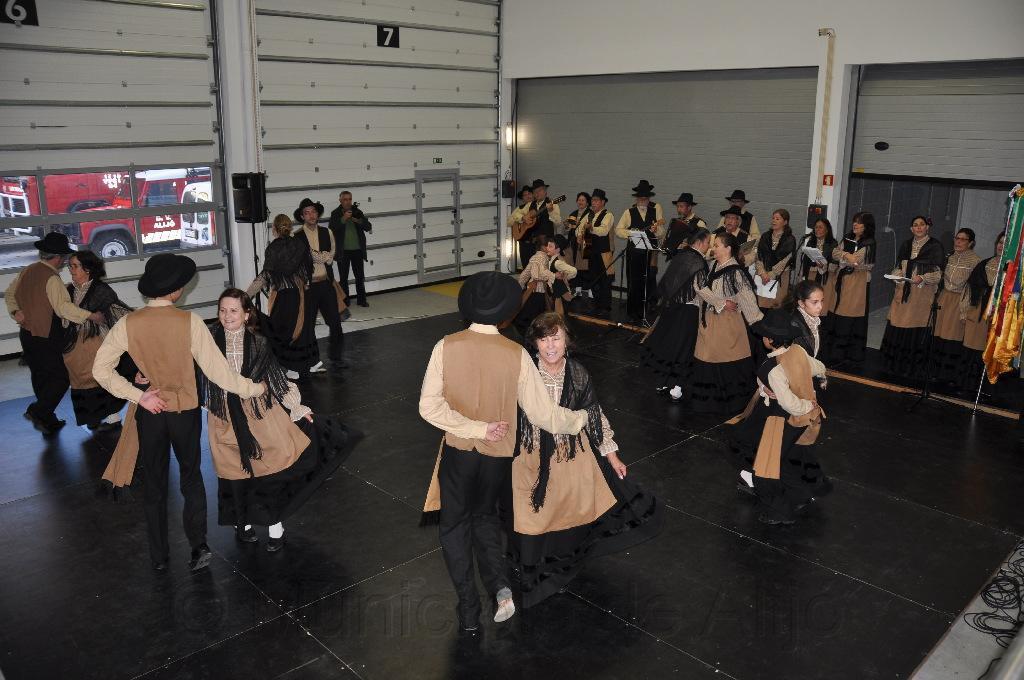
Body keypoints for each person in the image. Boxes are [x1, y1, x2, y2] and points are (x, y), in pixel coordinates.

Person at [418, 271, 588, 632]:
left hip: (459, 453)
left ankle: (469, 608)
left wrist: (475, 428)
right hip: (496, 457)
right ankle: (500, 589)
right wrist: (580, 419)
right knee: (485, 519)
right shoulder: (516, 354)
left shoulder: (446, 346)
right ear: (505, 312)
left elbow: (428, 407)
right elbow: (543, 414)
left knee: (454, 527)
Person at [92, 253, 266, 572]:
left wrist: (138, 396)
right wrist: (254, 388)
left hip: (150, 411)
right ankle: (198, 546)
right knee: (191, 478)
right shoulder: (190, 322)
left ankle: (159, 557)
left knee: (154, 483)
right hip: (184, 412)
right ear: (175, 290)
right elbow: (219, 373)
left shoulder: (129, 323)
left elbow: (100, 370)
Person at [510, 312, 662, 608]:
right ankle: (533, 569)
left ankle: (558, 570)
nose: (550, 346)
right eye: (544, 339)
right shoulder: (524, 372)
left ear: (567, 341)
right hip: (532, 452)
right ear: (535, 343)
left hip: (569, 453)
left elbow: (594, 414)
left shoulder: (578, 373)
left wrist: (612, 454)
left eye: (556, 338)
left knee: (567, 515)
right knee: (533, 515)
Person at [202, 289, 358, 551]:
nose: (227, 316)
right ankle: (243, 523)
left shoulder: (259, 343)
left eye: (233, 310)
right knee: (234, 473)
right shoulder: (208, 341)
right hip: (223, 416)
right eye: (223, 310)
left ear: (247, 314)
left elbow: (275, 379)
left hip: (259, 413)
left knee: (270, 469)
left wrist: (297, 408)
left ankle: (275, 527)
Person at [734, 310, 829, 526]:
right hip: (799, 421)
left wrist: (806, 405)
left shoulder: (774, 369)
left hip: (780, 420)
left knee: (765, 469)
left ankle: (780, 511)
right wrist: (812, 388)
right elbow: (819, 367)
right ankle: (801, 496)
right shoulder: (798, 351)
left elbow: (788, 403)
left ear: (769, 340)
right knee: (783, 461)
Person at [4, 232, 103, 435]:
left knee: (41, 376)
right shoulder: (52, 279)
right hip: (46, 336)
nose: (65, 262)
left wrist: (15, 311)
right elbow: (63, 308)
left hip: (27, 334)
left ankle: (47, 419)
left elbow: (10, 294)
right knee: (60, 378)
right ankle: (38, 411)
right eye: (65, 258)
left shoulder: (28, 270)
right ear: (58, 257)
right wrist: (91, 316)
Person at [678, 232, 763, 412]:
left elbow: (748, 299)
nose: (713, 248)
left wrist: (760, 324)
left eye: (717, 245)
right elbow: (698, 286)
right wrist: (722, 302)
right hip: (708, 321)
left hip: (727, 325)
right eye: (713, 245)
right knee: (705, 356)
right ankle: (707, 401)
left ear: (728, 248)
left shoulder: (736, 273)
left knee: (721, 356)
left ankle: (724, 402)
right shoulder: (712, 265)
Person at [62, 250, 133, 431]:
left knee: (100, 376)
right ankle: (92, 416)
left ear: (87, 269)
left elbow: (117, 311)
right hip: (73, 346)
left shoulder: (101, 290)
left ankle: (111, 414)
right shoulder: (68, 290)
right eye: (70, 266)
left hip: (97, 342)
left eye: (75, 266)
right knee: (80, 380)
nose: (71, 269)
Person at [246, 214, 321, 378]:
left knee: (281, 332)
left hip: (285, 297)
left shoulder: (273, 249)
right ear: (290, 227)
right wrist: (328, 256)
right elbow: (314, 257)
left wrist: (245, 295)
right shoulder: (299, 244)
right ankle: (310, 363)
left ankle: (291, 368)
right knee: (303, 331)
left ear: (274, 229)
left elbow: (265, 276)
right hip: (303, 294)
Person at [642, 228, 711, 393]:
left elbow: (666, 280)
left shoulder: (680, 256)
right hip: (688, 312)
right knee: (684, 348)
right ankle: (677, 386)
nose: (709, 246)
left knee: (668, 345)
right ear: (700, 242)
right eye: (708, 242)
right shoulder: (699, 262)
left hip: (671, 307)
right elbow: (701, 290)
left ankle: (662, 381)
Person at [880, 216, 945, 379]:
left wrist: (922, 277)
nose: (919, 227)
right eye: (915, 225)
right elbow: (897, 267)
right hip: (903, 292)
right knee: (898, 325)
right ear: (911, 229)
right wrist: (898, 276)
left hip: (921, 296)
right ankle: (893, 366)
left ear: (927, 227)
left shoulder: (935, 246)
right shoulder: (906, 245)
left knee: (914, 330)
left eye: (922, 225)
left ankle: (911, 369)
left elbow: (939, 274)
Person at [293, 197, 348, 365]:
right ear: (302, 216)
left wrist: (324, 257)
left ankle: (336, 357)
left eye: (313, 212)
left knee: (335, 323)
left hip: (326, 284)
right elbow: (300, 260)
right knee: (308, 326)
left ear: (317, 214)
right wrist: (322, 257)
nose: (311, 215)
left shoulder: (327, 232)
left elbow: (332, 255)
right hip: (308, 287)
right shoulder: (296, 236)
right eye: (307, 213)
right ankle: (312, 360)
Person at [929, 228, 982, 385]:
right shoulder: (949, 257)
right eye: (956, 238)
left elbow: (974, 287)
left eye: (962, 239)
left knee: (953, 336)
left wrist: (966, 308)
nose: (958, 242)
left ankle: (948, 374)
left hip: (960, 300)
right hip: (945, 297)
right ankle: (934, 371)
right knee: (939, 333)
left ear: (971, 243)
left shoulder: (976, 261)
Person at [822, 211, 876, 365]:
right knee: (836, 312)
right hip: (841, 280)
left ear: (866, 226)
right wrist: (846, 256)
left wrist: (843, 256)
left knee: (848, 315)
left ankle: (846, 353)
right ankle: (832, 351)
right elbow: (834, 252)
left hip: (856, 282)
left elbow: (857, 261)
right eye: (854, 221)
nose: (855, 224)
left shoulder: (869, 243)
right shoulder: (848, 237)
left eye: (859, 222)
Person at [615, 179, 665, 322]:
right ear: (637, 198)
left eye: (646, 198)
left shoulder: (655, 211)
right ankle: (632, 312)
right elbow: (618, 230)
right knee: (633, 282)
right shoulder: (628, 212)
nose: (643, 201)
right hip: (633, 253)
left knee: (646, 281)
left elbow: (662, 232)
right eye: (641, 198)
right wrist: (631, 233)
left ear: (649, 199)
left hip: (648, 253)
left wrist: (656, 230)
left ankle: (644, 310)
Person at [961, 233, 1005, 390]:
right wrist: (964, 311)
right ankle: (965, 383)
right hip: (977, 311)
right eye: (999, 242)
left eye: (1004, 243)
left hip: (997, 315)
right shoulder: (984, 264)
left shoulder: (1012, 271)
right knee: (971, 348)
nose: (1000, 246)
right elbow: (969, 289)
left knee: (988, 351)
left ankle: (984, 387)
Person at [514, 234, 577, 338]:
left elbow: (526, 273)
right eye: (548, 245)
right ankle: (536, 336)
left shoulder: (536, 257)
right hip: (538, 290)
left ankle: (533, 334)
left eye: (551, 246)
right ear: (543, 247)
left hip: (536, 289)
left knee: (533, 313)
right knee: (538, 315)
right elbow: (537, 274)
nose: (548, 248)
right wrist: (554, 275)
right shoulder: (542, 257)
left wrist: (519, 286)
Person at [329, 191, 373, 308]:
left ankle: (361, 300)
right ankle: (345, 301)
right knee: (343, 278)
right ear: (340, 200)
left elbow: (368, 226)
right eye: (345, 199)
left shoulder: (357, 212)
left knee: (360, 276)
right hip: (343, 251)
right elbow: (331, 229)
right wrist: (343, 218)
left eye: (350, 199)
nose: (348, 202)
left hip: (357, 250)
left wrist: (358, 220)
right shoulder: (335, 213)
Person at [577, 188, 616, 316]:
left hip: (603, 252)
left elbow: (603, 231)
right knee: (593, 279)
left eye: (596, 200)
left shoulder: (608, 215)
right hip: (590, 250)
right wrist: (579, 234)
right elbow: (580, 227)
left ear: (603, 202)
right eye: (592, 200)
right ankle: (595, 305)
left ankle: (605, 307)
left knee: (605, 279)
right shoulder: (589, 214)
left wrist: (591, 228)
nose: (593, 203)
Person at [753, 209, 796, 311]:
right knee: (761, 306)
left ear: (785, 222)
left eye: (777, 219)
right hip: (762, 275)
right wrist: (762, 273)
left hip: (780, 276)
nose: (774, 221)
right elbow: (758, 256)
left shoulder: (789, 239)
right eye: (773, 218)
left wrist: (771, 274)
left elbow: (786, 260)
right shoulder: (765, 236)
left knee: (776, 306)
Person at [797, 218, 838, 303]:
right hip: (811, 275)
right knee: (810, 299)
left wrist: (824, 265)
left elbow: (835, 263)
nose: (817, 229)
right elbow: (805, 262)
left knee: (822, 301)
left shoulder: (833, 243)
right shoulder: (811, 242)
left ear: (827, 230)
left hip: (825, 277)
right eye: (816, 227)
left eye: (820, 227)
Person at [664, 192, 707, 256]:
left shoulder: (699, 223)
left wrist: (689, 246)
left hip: (691, 257)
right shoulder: (676, 221)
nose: (678, 209)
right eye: (677, 206)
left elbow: (704, 243)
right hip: (675, 257)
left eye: (681, 206)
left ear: (689, 207)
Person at [564, 191, 593, 273]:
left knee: (583, 266)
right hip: (572, 242)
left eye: (583, 200)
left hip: (585, 242)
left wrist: (579, 225)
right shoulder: (573, 213)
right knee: (571, 265)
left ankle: (583, 281)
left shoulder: (591, 214)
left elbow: (590, 228)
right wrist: (566, 226)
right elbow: (568, 230)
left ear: (587, 203)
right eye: (579, 200)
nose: (580, 202)